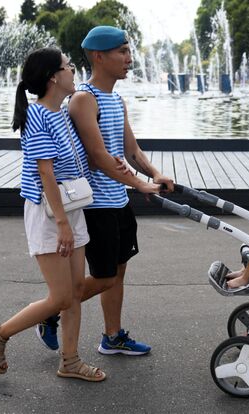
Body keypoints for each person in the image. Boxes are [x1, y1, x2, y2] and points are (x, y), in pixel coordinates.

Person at [37, 26, 174, 356]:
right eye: (122, 52)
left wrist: (155, 173)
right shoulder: (84, 100)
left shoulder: (116, 99)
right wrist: (141, 183)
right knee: (105, 277)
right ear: (99, 57)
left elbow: (131, 150)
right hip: (96, 205)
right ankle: (50, 311)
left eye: (128, 52)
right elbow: (98, 155)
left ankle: (112, 337)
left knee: (118, 272)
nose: (129, 59)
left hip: (119, 200)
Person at [0, 48, 105, 381]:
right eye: (68, 66)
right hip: (50, 214)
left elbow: (71, 163)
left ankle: (71, 361)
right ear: (53, 77)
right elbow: (45, 173)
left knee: (76, 290)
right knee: (61, 296)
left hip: (70, 207)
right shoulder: (37, 116)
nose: (74, 70)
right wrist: (62, 224)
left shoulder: (60, 113)